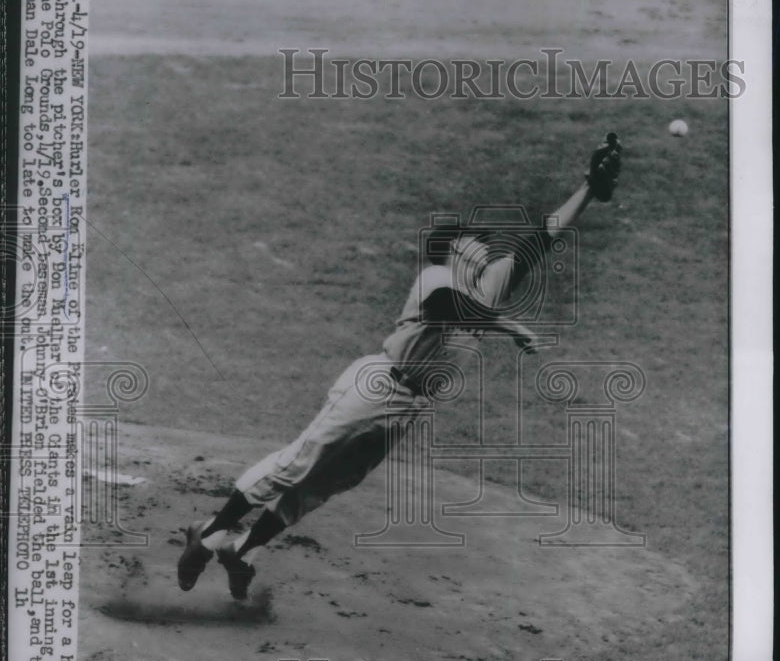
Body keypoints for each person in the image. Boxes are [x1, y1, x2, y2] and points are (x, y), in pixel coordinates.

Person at [177, 135, 622, 600]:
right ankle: (209, 531)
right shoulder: (436, 278)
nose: (487, 251)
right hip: (376, 384)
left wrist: (588, 188)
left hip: (409, 406)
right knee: (299, 462)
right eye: (476, 245)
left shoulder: (487, 286)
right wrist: (511, 327)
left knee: (330, 482)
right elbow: (453, 307)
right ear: (452, 251)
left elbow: (541, 240)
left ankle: (243, 549)